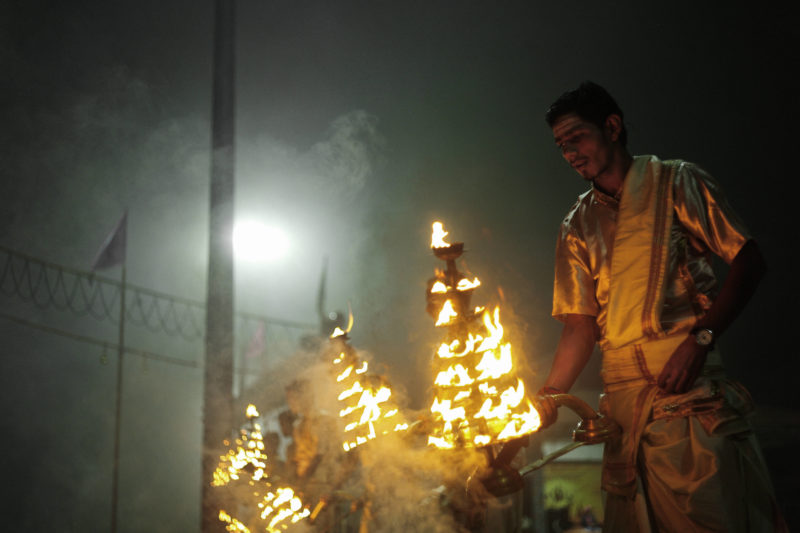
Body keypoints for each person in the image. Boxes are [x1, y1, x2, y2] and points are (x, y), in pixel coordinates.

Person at [535, 81, 786, 532]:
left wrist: (700, 340)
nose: (569, 153)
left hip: (687, 398)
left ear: (612, 126)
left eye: (576, 137)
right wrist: (548, 398)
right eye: (559, 145)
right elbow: (579, 326)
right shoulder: (577, 224)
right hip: (623, 410)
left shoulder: (677, 181)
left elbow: (750, 262)